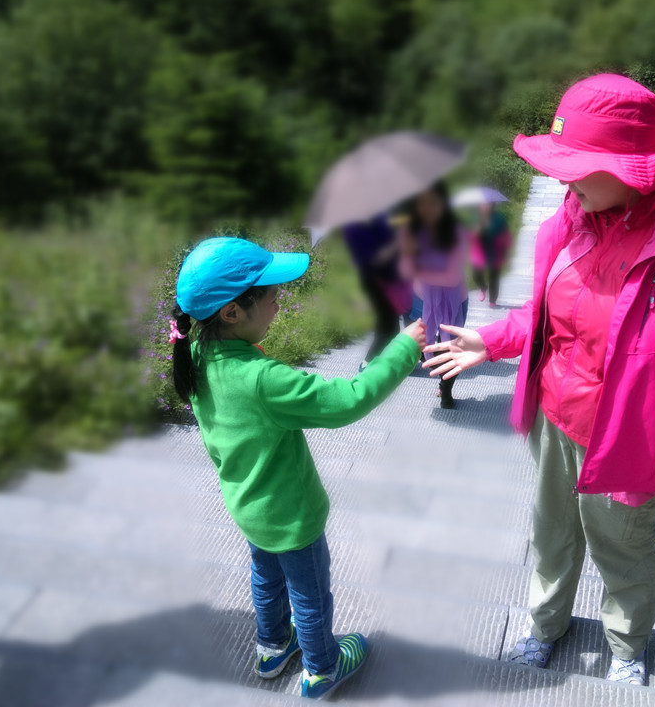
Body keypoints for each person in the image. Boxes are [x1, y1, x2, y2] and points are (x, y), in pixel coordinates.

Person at [423, 74, 655, 685]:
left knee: (626, 550)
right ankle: (545, 625)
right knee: (551, 535)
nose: (562, 179)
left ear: (632, 167)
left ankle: (627, 645)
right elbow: (548, 311)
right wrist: (493, 339)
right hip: (555, 417)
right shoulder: (573, 216)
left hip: (629, 443)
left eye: (576, 166)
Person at [169, 236, 427, 699]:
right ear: (232, 312)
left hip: (248, 505)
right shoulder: (262, 380)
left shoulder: (196, 354)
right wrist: (403, 349)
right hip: (292, 515)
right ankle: (322, 669)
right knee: (309, 594)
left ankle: (272, 647)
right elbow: (348, 400)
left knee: (266, 577)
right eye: (270, 295)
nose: (278, 301)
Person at [399, 180, 469, 410]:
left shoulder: (457, 232)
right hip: (421, 300)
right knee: (422, 344)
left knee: (451, 348)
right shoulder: (411, 230)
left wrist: (418, 270)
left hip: (455, 300)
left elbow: (451, 278)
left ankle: (446, 390)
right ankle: (435, 374)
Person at [341, 214, 412, 368]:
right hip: (375, 280)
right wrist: (397, 241)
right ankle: (368, 364)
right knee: (388, 327)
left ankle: (379, 362)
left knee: (388, 326)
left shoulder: (377, 219)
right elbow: (376, 258)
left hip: (385, 279)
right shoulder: (354, 227)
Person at [470, 201, 512, 308]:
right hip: (480, 250)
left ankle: (493, 300)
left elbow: (506, 236)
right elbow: (471, 236)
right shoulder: (476, 218)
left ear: (492, 205)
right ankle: (483, 287)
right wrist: (478, 229)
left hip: (495, 250)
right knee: (476, 274)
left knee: (494, 277)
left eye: (488, 204)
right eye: (483, 204)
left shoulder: (499, 218)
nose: (485, 206)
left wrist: (506, 255)